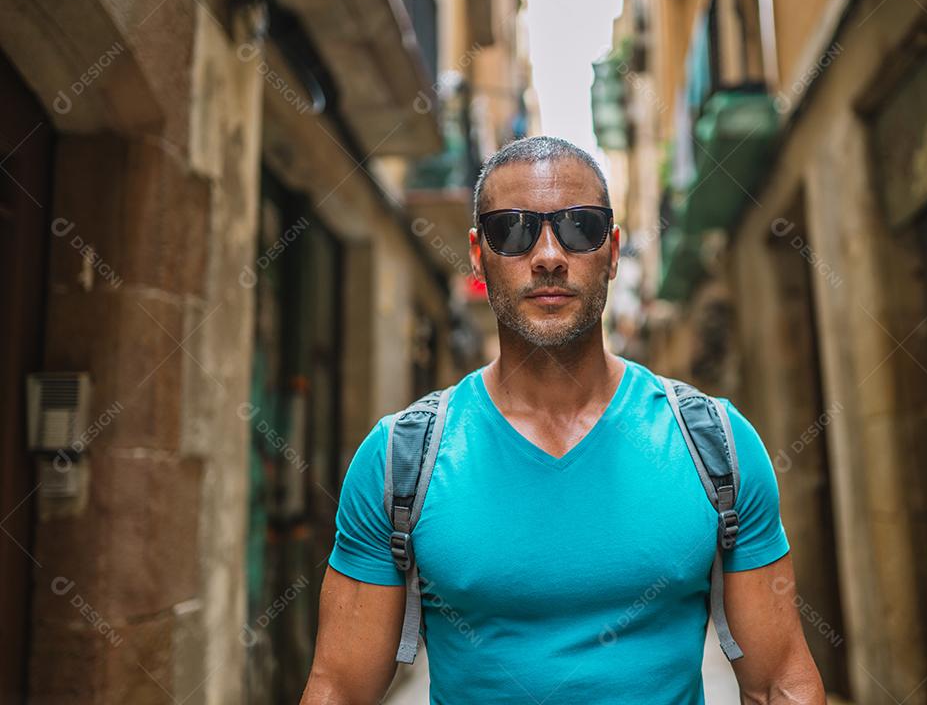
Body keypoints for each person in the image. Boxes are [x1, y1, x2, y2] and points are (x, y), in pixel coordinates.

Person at [299, 136, 825, 704]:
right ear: (478, 255)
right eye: (513, 230)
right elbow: (340, 690)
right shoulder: (400, 460)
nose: (548, 255)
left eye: (580, 228)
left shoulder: (715, 446)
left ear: (614, 249)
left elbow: (779, 683)